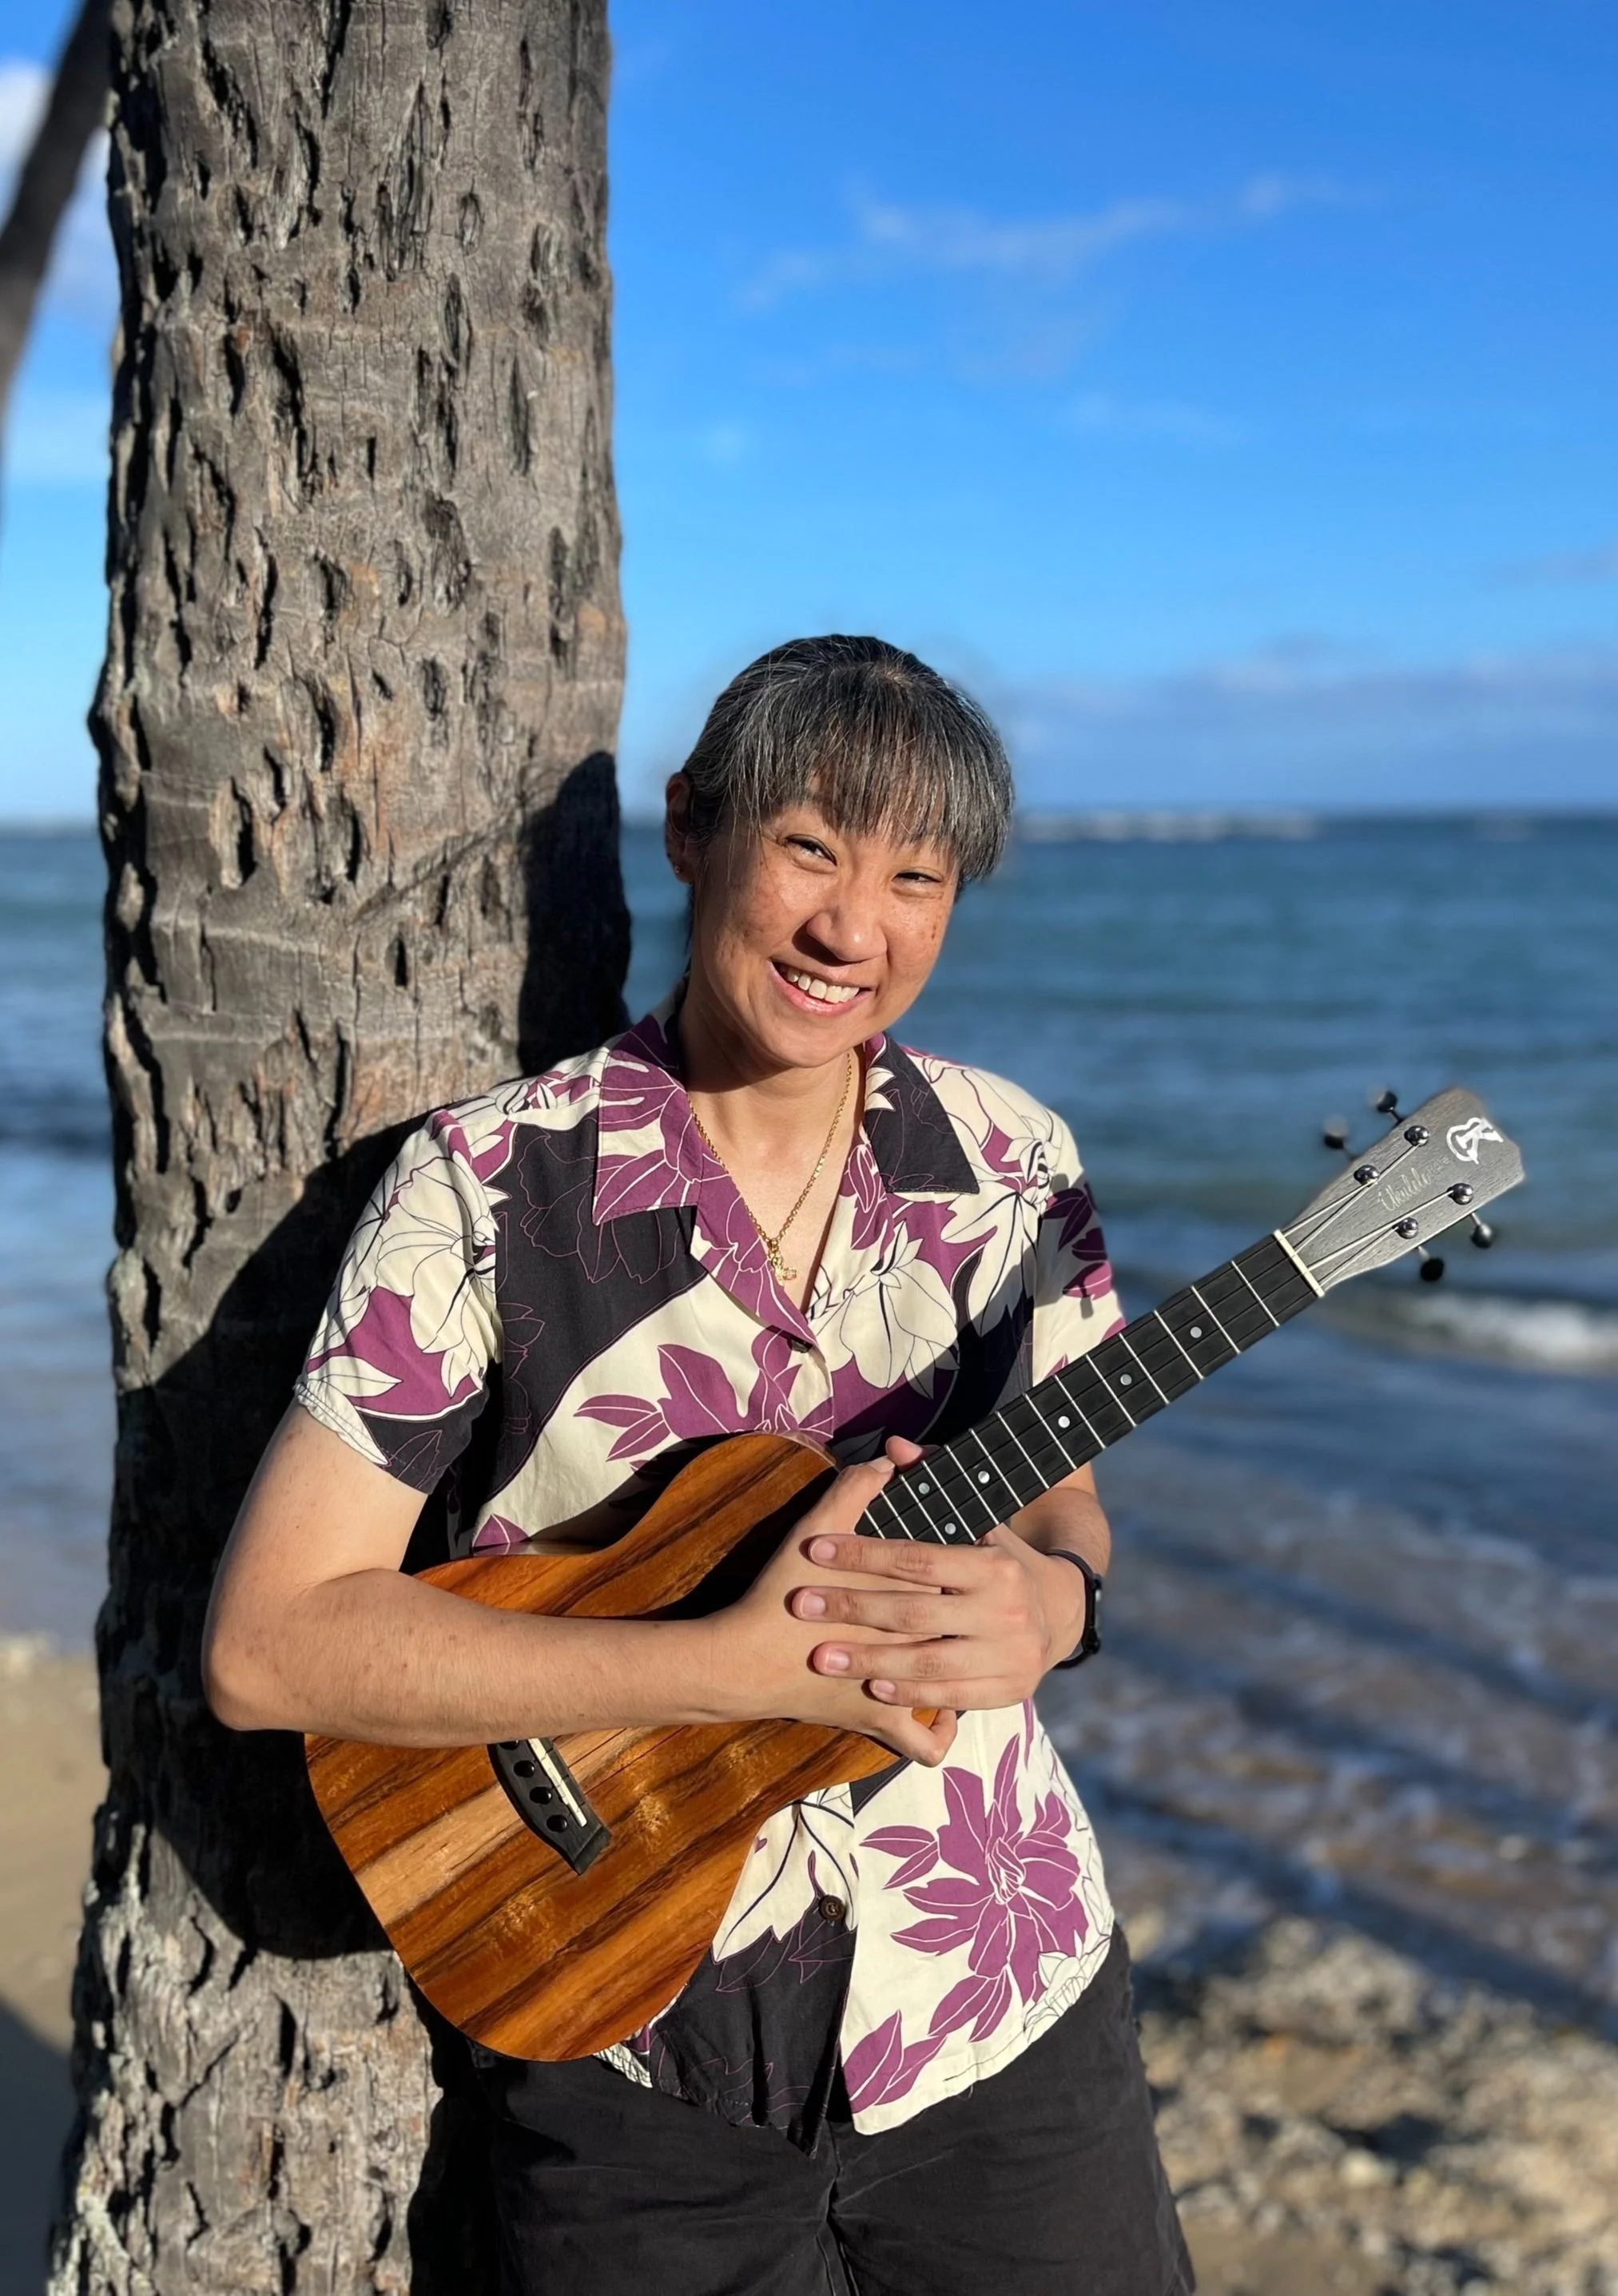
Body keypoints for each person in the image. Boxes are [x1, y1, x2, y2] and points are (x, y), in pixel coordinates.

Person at [204, 635, 1194, 2295]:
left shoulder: (1015, 1164)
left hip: (998, 1999)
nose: (852, 928)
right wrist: (722, 1669)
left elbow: (1059, 1486)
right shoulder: (487, 1188)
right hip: (619, 2024)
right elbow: (267, 1645)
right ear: (691, 829)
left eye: (915, 878)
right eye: (809, 848)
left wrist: (1057, 1603)